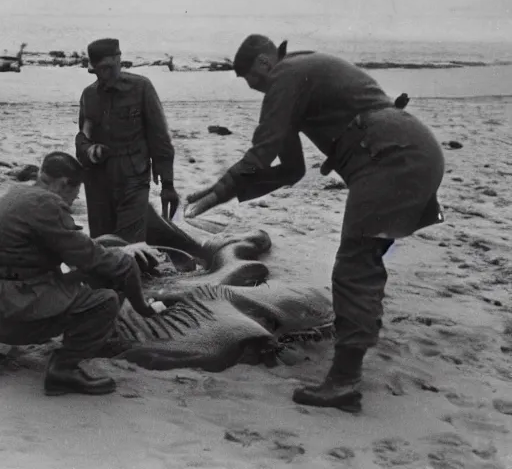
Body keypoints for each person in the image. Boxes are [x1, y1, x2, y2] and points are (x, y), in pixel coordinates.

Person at [184, 34, 445, 412]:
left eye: (250, 80)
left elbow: (263, 148)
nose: (255, 89)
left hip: (392, 156)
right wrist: (223, 192)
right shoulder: (301, 76)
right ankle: (357, 342)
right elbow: (291, 169)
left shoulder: (286, 74)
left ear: (262, 63)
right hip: (406, 151)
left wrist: (216, 193)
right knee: (364, 259)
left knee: (354, 266)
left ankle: (344, 380)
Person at [0, 152, 166, 396]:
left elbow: (65, 248)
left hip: (8, 294)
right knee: (105, 301)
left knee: (79, 279)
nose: (71, 202)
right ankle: (63, 370)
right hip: (14, 310)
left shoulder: (15, 194)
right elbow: (90, 257)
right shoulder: (47, 204)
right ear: (64, 183)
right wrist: (127, 263)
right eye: (74, 195)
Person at [75, 38, 179, 243]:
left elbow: (160, 138)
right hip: (98, 182)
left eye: (109, 68)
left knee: (131, 245)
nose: (104, 75)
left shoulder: (141, 87)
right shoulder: (89, 95)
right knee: (103, 243)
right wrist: (90, 150)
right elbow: (82, 139)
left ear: (119, 60)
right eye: (98, 70)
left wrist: (168, 184)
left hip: (133, 178)